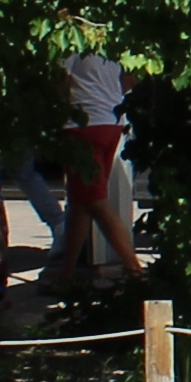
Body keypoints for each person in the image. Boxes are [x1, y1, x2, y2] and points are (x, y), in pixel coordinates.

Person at [55, 52, 146, 290]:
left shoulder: (71, 44)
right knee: (80, 202)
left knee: (95, 201)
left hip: (81, 126)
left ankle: (135, 271)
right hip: (111, 123)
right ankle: (66, 274)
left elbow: (60, 82)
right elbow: (131, 78)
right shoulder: (113, 44)